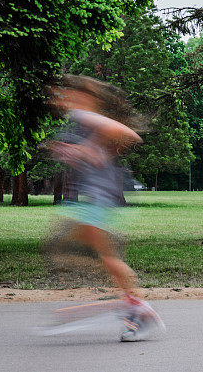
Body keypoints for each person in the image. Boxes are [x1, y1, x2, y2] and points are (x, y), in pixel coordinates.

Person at [46, 74, 163, 342]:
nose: (59, 99)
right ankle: (132, 303)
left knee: (99, 255)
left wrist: (90, 147)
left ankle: (135, 307)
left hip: (101, 199)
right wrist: (76, 150)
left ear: (83, 97)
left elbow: (128, 134)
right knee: (74, 250)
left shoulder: (86, 117)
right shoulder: (78, 120)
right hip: (93, 200)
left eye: (63, 94)